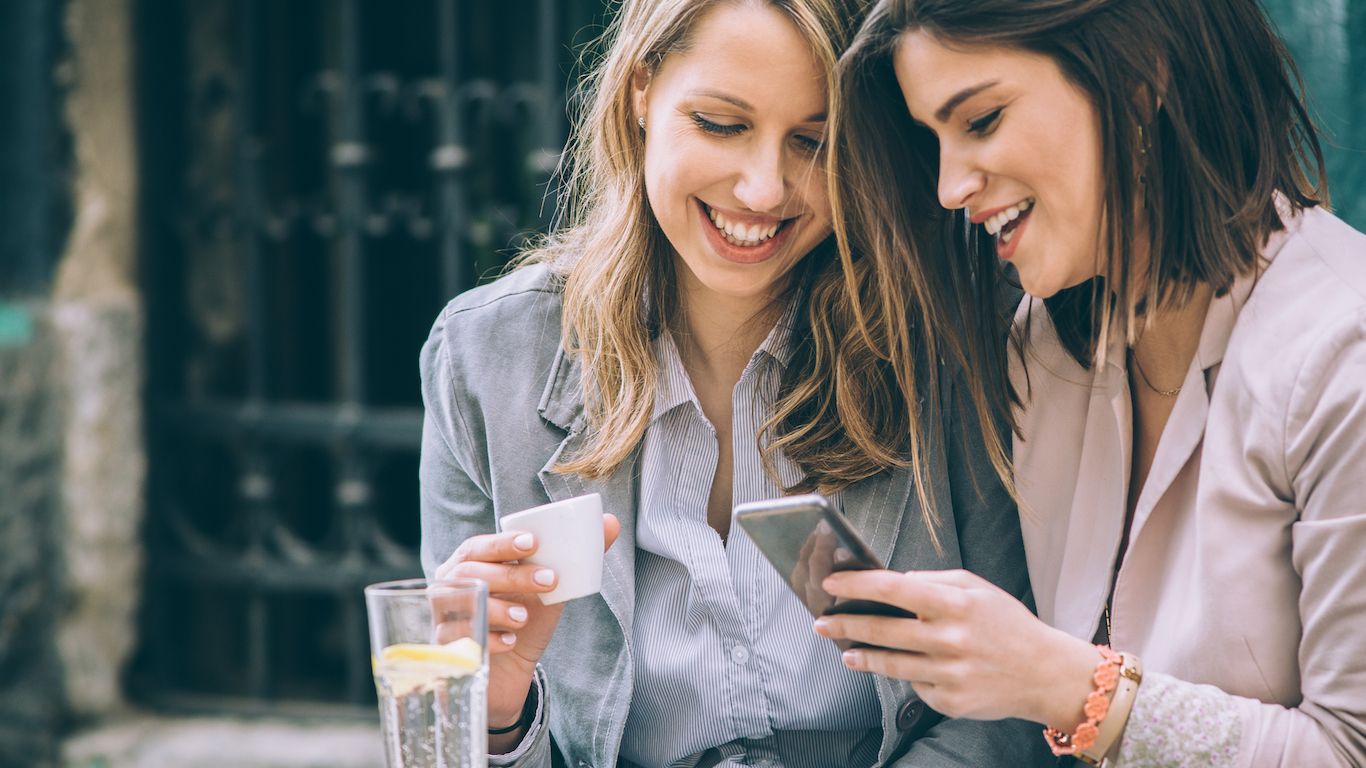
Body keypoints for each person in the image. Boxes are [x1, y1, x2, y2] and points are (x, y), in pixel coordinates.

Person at [418, 0, 1055, 766]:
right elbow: (441, 744)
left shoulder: (954, 337)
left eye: (814, 143)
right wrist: (492, 719)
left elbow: (1006, 716)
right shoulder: (488, 357)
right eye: (722, 124)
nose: (762, 190)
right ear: (641, 93)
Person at [815, 0, 1366, 765]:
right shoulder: (1047, 352)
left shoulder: (1344, 352)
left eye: (980, 120)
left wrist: (1069, 685)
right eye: (931, 139)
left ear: (1138, 83)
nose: (948, 187)